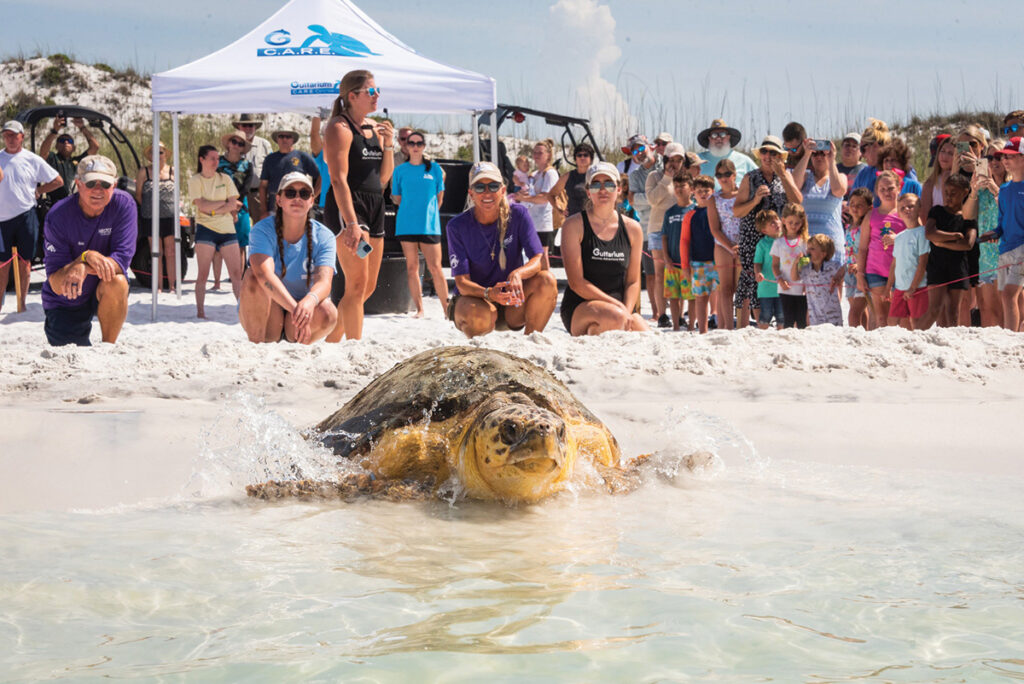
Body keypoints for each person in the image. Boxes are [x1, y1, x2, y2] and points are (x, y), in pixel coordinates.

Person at [446, 161, 557, 337]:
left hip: (510, 303)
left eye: (493, 186)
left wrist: (518, 274)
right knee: (481, 315)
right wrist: (489, 294)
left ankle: (530, 345)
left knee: (547, 280)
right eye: (480, 187)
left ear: (503, 190)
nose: (487, 192)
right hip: (477, 299)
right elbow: (462, 283)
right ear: (471, 193)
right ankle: (478, 349)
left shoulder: (518, 214)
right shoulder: (457, 226)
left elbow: (538, 259)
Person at [322, 70, 394, 342]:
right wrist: (351, 224)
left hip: (375, 204)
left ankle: (330, 339)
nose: (377, 96)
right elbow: (338, 179)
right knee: (355, 284)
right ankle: (355, 346)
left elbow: (384, 178)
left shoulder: (375, 128)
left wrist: (389, 145)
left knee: (368, 287)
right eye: (371, 91)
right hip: (349, 206)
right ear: (352, 96)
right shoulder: (339, 128)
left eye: (377, 91)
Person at [41, 155, 134, 345]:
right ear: (78, 184)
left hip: (102, 289)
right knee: (68, 362)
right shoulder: (58, 216)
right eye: (91, 183)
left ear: (114, 186)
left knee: (118, 281)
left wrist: (83, 266)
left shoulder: (124, 204)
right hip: (67, 298)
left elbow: (122, 261)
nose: (98, 190)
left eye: (105, 184)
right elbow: (56, 282)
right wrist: (86, 257)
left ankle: (108, 347)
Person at [239, 172, 338, 344]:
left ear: (312, 201)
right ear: (279, 200)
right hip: (269, 310)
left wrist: (309, 302)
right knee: (252, 277)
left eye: (304, 193)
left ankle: (299, 347)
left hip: (301, 313)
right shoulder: (262, 230)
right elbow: (263, 275)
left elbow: (325, 282)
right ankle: (257, 347)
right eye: (290, 193)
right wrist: (295, 310)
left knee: (328, 312)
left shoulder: (324, 236)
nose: (297, 198)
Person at [560, 161, 647, 335]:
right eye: (595, 185)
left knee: (645, 333)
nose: (602, 190)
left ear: (619, 189)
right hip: (582, 305)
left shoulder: (633, 229)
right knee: (615, 317)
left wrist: (628, 311)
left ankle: (600, 329)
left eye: (609, 184)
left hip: (621, 306)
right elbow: (577, 283)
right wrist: (617, 308)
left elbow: (633, 281)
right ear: (587, 191)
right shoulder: (574, 225)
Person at [732, 135, 803, 328]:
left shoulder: (785, 176)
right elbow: (737, 211)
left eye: (773, 152)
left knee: (781, 279)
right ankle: (759, 327)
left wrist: (782, 175)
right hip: (753, 238)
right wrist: (755, 200)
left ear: (781, 156)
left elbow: (797, 202)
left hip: (779, 239)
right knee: (755, 284)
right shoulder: (750, 177)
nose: (768, 156)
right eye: (764, 151)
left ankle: (781, 325)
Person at [0, 120, 63, 312]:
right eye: (7, 135)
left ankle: (22, 303)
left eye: (14, 135)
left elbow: (57, 181)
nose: (10, 139)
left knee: (24, 261)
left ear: (22, 137)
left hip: (26, 214)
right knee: (2, 263)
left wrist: (39, 190)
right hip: (1, 218)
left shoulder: (31, 159)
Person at [391, 130, 448, 317]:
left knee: (436, 268)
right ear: (406, 146)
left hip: (429, 225)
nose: (415, 147)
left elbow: (440, 197)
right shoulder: (399, 170)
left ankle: (447, 309)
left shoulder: (435, 169)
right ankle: (420, 309)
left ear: (424, 146)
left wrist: (428, 212)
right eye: (411, 143)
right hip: (406, 224)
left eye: (419, 143)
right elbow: (397, 198)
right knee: (412, 267)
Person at [189, 144, 242, 318]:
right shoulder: (195, 180)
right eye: (212, 158)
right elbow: (201, 205)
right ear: (202, 160)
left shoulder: (225, 178)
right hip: (206, 229)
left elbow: (233, 204)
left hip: (227, 229)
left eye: (217, 158)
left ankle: (243, 310)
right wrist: (223, 204)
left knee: (236, 273)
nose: (216, 161)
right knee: (203, 273)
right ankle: (200, 312)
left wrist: (213, 209)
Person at [978, 137, 1024, 330]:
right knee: (1006, 297)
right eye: (1003, 156)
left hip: (1022, 249)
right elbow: (1002, 223)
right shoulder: (1004, 190)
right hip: (1004, 249)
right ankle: (1012, 336)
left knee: (1008, 294)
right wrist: (993, 233)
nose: (1005, 160)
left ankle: (1011, 340)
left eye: (1011, 156)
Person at [792, 137, 847, 297]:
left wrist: (832, 160)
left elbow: (839, 190)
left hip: (832, 244)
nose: (819, 157)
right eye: (816, 154)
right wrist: (806, 154)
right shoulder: (805, 176)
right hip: (807, 243)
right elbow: (794, 184)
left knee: (832, 292)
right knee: (807, 293)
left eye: (823, 153)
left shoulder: (839, 176)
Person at [921, 173, 976, 328]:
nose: (948, 197)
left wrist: (941, 242)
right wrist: (953, 236)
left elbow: (967, 244)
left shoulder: (968, 217)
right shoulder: (937, 211)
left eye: (953, 193)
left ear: (965, 192)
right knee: (934, 309)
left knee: (953, 311)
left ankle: (950, 342)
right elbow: (929, 233)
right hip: (937, 265)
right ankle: (915, 336)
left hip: (958, 267)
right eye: (946, 193)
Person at [855, 170, 906, 326]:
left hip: (900, 271)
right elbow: (863, 248)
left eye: (890, 188)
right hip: (875, 270)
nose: (887, 192)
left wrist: (898, 239)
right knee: (880, 317)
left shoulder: (906, 212)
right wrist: (860, 274)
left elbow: (918, 238)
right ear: (876, 192)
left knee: (897, 317)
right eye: (882, 189)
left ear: (898, 188)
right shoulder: (872, 215)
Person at [645, 142, 688, 328]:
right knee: (660, 274)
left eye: (679, 160)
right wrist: (666, 178)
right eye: (672, 159)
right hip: (657, 228)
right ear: (665, 159)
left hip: (680, 229)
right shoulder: (654, 176)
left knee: (681, 272)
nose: (675, 163)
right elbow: (652, 200)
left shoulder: (686, 179)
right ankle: (662, 314)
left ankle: (679, 315)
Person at [677, 175, 719, 333]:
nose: (703, 194)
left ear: (713, 191)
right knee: (701, 298)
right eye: (699, 191)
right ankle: (703, 330)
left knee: (722, 296)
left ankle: (721, 326)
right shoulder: (690, 215)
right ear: (693, 192)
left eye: (706, 191)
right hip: (698, 262)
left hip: (718, 261)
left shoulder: (718, 211)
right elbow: (684, 242)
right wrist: (685, 266)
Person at [626, 135, 661, 322]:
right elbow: (633, 202)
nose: (638, 154)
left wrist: (644, 197)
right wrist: (657, 196)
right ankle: (656, 312)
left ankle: (673, 312)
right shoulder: (634, 175)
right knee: (651, 273)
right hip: (647, 227)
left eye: (641, 149)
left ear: (651, 147)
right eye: (634, 151)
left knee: (674, 270)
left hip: (669, 226)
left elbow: (671, 195)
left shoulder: (665, 167)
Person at [972, 140, 1007, 326]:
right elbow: (968, 215)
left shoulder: (1015, 186)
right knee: (987, 312)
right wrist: (973, 190)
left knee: (1008, 310)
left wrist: (995, 188)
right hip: (986, 256)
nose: (994, 161)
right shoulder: (983, 190)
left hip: (1008, 254)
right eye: (989, 157)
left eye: (1000, 156)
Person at [134, 141, 178, 292]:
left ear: (165, 154)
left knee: (171, 251)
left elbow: (177, 194)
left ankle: (172, 285)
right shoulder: (144, 172)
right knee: (156, 252)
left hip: (170, 216)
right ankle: (158, 286)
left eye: (160, 152)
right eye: (154, 152)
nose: (158, 155)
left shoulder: (173, 171)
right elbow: (139, 195)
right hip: (150, 217)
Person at [216, 130, 255, 288]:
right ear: (228, 143)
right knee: (218, 245)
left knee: (240, 244)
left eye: (240, 143)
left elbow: (246, 187)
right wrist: (228, 204)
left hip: (241, 205)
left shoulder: (247, 165)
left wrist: (235, 206)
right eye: (234, 141)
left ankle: (238, 279)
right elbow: (215, 184)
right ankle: (217, 281)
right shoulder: (218, 162)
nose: (236, 146)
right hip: (220, 203)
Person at [707, 158, 742, 330]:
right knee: (726, 289)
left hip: (743, 243)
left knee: (741, 288)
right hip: (722, 245)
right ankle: (727, 327)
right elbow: (715, 229)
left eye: (727, 174)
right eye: (719, 175)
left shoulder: (744, 194)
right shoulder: (714, 199)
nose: (723, 178)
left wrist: (740, 246)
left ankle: (741, 325)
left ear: (734, 175)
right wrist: (730, 247)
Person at [886, 201, 931, 330]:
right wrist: (888, 287)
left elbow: (923, 263)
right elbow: (894, 264)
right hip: (900, 287)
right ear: (899, 214)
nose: (907, 209)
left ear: (919, 209)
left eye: (911, 206)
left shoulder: (922, 233)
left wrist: (913, 287)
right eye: (902, 207)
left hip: (918, 287)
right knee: (892, 322)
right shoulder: (899, 237)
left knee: (917, 323)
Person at [661, 175, 696, 331]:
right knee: (673, 296)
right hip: (673, 262)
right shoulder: (669, 212)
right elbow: (664, 236)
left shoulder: (695, 210)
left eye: (683, 185)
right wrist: (666, 258)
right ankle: (675, 326)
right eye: (676, 186)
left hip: (690, 263)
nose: (679, 189)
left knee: (691, 297)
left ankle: (690, 326)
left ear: (691, 188)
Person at [515, 139, 558, 268]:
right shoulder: (534, 174)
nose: (536, 156)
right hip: (531, 220)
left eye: (540, 153)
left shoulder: (550, 174)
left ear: (548, 155)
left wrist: (526, 199)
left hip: (542, 222)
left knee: (542, 254)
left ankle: (547, 282)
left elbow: (545, 198)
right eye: (534, 153)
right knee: (532, 255)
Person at [259, 129, 319, 219]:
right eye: (281, 136)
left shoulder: (302, 156)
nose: (284, 139)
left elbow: (320, 177)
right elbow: (263, 186)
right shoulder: (270, 159)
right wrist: (264, 210)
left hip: (297, 206)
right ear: (277, 139)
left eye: (288, 137)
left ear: (293, 140)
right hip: (274, 207)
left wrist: (312, 196)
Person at [39, 116, 99, 200]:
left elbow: (95, 147)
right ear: (56, 146)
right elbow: (43, 151)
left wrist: (82, 127)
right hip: (55, 203)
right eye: (62, 141)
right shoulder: (53, 158)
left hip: (75, 202)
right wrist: (55, 131)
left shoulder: (78, 161)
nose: (66, 142)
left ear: (74, 148)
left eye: (69, 141)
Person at [772, 202, 810, 329]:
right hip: (785, 287)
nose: (794, 226)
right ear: (783, 221)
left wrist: (808, 282)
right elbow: (775, 265)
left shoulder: (806, 242)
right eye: (790, 222)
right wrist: (780, 279)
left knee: (801, 320)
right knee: (788, 319)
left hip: (802, 288)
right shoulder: (778, 242)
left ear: (802, 222)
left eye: (797, 223)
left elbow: (810, 264)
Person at [794, 234, 844, 327]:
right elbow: (794, 278)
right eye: (808, 248)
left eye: (812, 249)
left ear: (823, 253)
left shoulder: (834, 266)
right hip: (814, 315)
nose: (808, 251)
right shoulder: (806, 269)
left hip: (832, 314)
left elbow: (844, 270)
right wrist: (795, 262)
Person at [844, 188, 873, 328]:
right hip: (849, 273)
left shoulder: (865, 227)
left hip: (862, 272)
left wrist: (860, 267)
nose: (854, 207)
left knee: (854, 313)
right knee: (860, 312)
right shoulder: (849, 227)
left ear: (869, 207)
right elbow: (847, 251)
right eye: (852, 204)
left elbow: (868, 250)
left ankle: (855, 338)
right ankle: (865, 334)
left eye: (859, 205)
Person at [233, 114, 272, 219]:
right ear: (239, 127)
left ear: (255, 128)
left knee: (260, 227)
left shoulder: (265, 144)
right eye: (244, 126)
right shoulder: (233, 144)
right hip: (238, 196)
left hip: (258, 195)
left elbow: (271, 169)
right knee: (239, 229)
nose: (247, 128)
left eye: (251, 125)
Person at [695, 119, 757, 185]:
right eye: (714, 135)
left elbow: (761, 179)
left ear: (728, 137)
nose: (718, 138)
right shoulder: (697, 160)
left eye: (722, 134)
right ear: (709, 138)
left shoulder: (745, 161)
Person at [752, 209, 784, 329]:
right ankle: (763, 335)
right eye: (772, 223)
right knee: (765, 315)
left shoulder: (786, 240)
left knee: (782, 315)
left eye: (777, 220)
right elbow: (757, 262)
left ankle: (782, 336)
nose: (777, 223)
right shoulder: (762, 244)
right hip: (766, 288)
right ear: (764, 230)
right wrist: (758, 273)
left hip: (783, 286)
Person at [549, 142, 594, 221]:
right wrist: (560, 210)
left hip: (593, 221)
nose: (582, 157)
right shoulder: (568, 176)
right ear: (575, 159)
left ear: (591, 159)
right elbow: (551, 195)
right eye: (579, 155)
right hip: (573, 221)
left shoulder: (595, 176)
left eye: (586, 155)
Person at [851, 119, 892, 193]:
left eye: (863, 149)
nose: (862, 155)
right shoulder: (863, 174)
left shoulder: (901, 169)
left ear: (875, 146)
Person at [921, 135, 954, 222]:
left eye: (950, 153)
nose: (945, 156)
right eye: (942, 151)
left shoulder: (964, 179)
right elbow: (925, 218)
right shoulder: (930, 183)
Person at [837, 132, 866, 198]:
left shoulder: (866, 170)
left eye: (854, 146)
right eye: (847, 145)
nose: (849, 148)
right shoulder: (834, 170)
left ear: (861, 152)